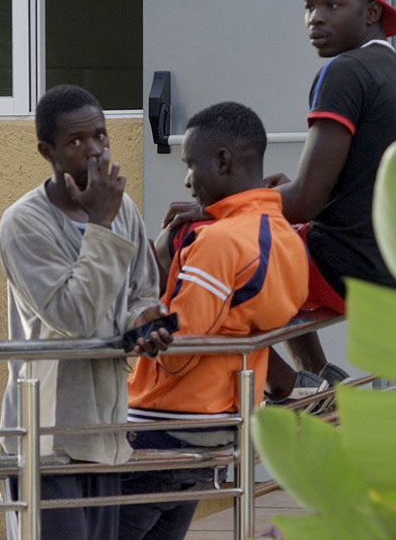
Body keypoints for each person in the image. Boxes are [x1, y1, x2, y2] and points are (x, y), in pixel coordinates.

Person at [164, 0, 396, 404]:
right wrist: (266, 195)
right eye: (309, 7)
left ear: (372, 12)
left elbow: (306, 201)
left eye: (332, 5)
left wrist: (217, 208)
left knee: (192, 240)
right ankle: (318, 377)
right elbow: (348, 188)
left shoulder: (343, 72)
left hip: (349, 269)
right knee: (273, 232)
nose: (316, 19)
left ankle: (287, 386)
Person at [0, 84, 174, 540]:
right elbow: (73, 317)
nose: (94, 151)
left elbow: (140, 293)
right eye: (76, 141)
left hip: (106, 434)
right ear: (48, 152)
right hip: (47, 439)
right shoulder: (24, 223)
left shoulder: (122, 209)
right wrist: (100, 224)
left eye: (100, 135)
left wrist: (145, 321)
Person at [126, 101, 309, 538]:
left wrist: (139, 307)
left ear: (223, 161)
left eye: (192, 165)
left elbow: (177, 350)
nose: (187, 181)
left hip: (165, 425)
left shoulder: (219, 242)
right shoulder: (283, 234)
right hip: (218, 426)